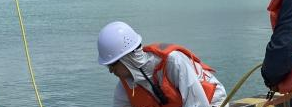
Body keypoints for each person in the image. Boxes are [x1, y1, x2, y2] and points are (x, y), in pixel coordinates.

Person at [97, 21, 226, 107]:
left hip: (212, 102)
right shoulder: (125, 87)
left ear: (127, 58)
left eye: (112, 65)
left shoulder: (173, 62)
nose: (110, 70)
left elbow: (197, 103)